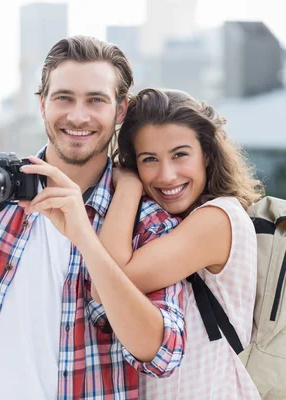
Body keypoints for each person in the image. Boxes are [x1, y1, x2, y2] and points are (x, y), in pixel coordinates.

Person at [0, 36, 187, 399]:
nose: (77, 116)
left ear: (120, 111)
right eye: (64, 98)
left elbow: (162, 353)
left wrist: (86, 239)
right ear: (42, 104)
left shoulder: (146, 219)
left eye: (95, 100)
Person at [94, 88, 262, 399]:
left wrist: (129, 187)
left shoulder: (219, 218)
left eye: (180, 155)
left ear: (207, 154)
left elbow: (106, 283)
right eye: (149, 160)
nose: (167, 175)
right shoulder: (164, 226)